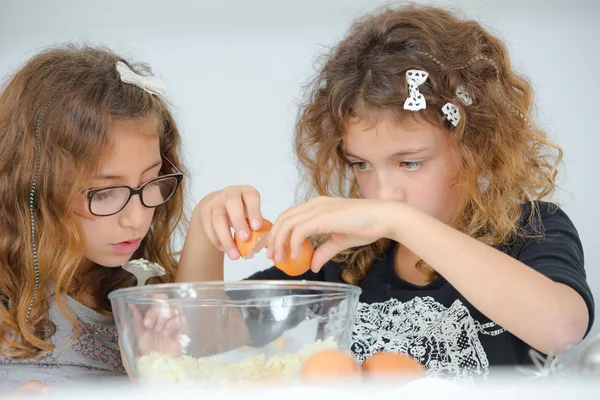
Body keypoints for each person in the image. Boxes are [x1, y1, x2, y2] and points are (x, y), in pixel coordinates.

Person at [191, 3, 595, 379]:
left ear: (476, 146)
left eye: (410, 163)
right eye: (361, 164)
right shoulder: (342, 261)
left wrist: (400, 221)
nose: (383, 192)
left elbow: (562, 330)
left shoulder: (530, 230)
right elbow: (204, 344)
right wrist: (205, 232)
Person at [0, 44, 188, 391]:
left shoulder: (153, 301)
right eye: (103, 193)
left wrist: (157, 376)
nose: (136, 219)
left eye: (151, 181)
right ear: (36, 189)